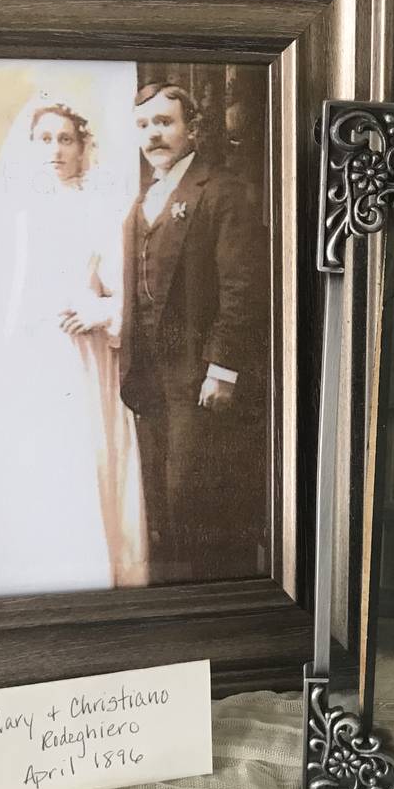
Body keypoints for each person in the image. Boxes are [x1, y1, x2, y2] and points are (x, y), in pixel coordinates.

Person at [0, 97, 148, 600]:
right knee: (24, 463)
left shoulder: (102, 206)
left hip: (79, 354)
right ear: (29, 146)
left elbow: (124, 285)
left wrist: (102, 311)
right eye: (45, 139)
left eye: (66, 139)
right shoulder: (9, 211)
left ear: (83, 148)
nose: (56, 149)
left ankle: (87, 580)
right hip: (22, 358)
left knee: (76, 460)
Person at [120, 82, 267, 583]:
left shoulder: (222, 192)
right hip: (151, 378)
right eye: (143, 126)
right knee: (161, 501)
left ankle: (216, 603)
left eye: (165, 123)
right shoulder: (144, 198)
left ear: (193, 128)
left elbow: (242, 290)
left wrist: (222, 370)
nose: (153, 135)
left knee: (195, 496)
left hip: (199, 377)